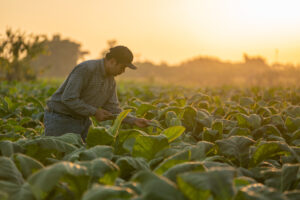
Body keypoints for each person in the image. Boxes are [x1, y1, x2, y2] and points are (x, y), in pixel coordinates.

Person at [44, 45, 150, 141]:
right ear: (112, 61)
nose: (123, 71)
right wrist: (95, 112)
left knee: (83, 157)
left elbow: (113, 108)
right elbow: (68, 98)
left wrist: (134, 120)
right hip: (60, 119)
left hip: (82, 121)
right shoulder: (86, 69)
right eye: (122, 67)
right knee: (62, 157)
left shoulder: (111, 81)